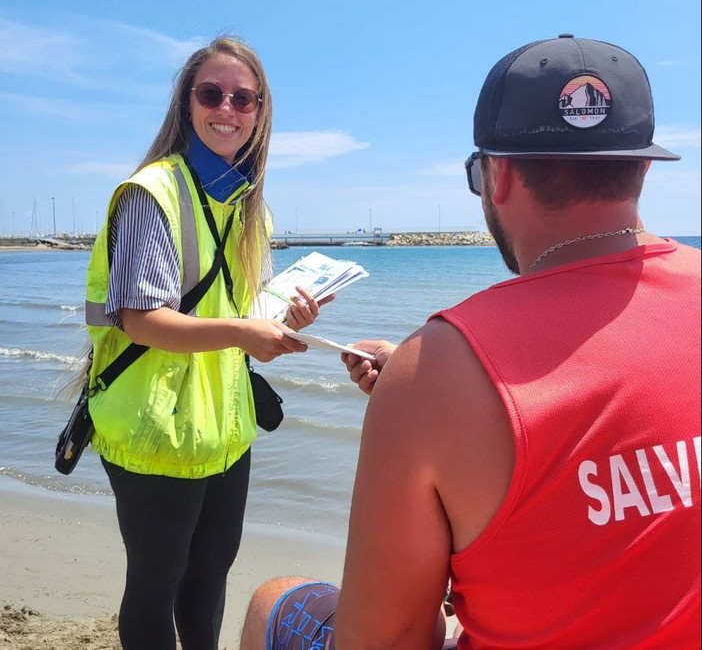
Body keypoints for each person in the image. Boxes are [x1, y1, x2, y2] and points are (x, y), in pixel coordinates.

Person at [239, 35, 701, 649]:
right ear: (642, 166)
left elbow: (387, 637)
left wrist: (418, 393)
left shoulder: (437, 369)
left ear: (496, 174)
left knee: (275, 600)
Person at [84, 36, 333, 650]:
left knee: (211, 575)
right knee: (156, 581)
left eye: (243, 98)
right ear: (185, 103)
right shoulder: (152, 191)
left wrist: (283, 319)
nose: (227, 108)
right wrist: (245, 331)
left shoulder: (251, 207)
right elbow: (141, 319)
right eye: (211, 93)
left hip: (224, 430)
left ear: (260, 110)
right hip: (152, 431)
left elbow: (246, 314)